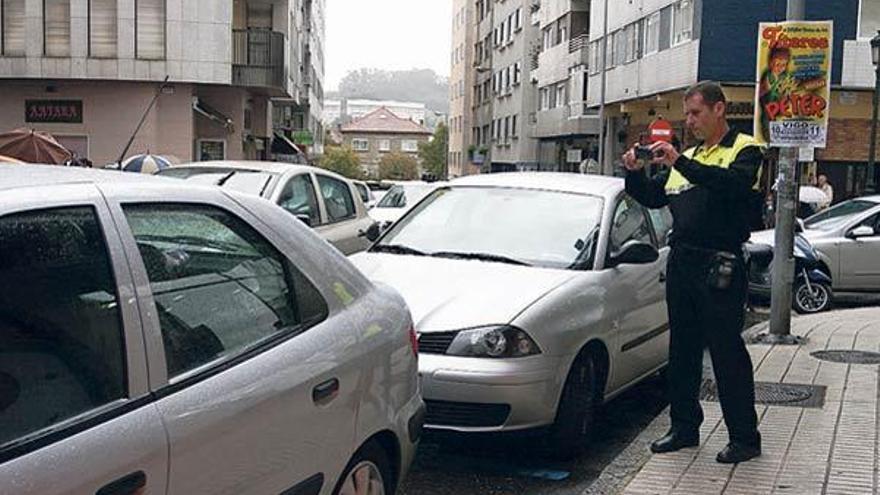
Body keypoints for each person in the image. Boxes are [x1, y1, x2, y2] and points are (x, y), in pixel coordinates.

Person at [622, 81, 764, 464]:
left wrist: (680, 161)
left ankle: (745, 438)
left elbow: (732, 185)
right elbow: (654, 196)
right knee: (681, 350)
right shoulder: (687, 156)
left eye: (696, 113)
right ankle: (684, 428)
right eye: (687, 114)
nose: (690, 121)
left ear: (719, 109)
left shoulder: (745, 148)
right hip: (683, 260)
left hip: (721, 263)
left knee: (725, 352)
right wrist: (634, 173)